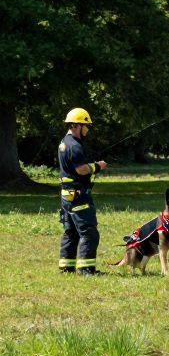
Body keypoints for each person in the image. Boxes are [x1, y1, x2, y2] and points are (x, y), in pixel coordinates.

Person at [58, 108, 108, 275]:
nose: (88, 129)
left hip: (67, 196)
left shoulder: (64, 142)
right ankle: (86, 268)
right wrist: (97, 167)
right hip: (78, 196)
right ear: (77, 125)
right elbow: (81, 170)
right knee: (89, 232)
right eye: (86, 125)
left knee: (71, 232)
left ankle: (66, 267)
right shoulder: (75, 146)